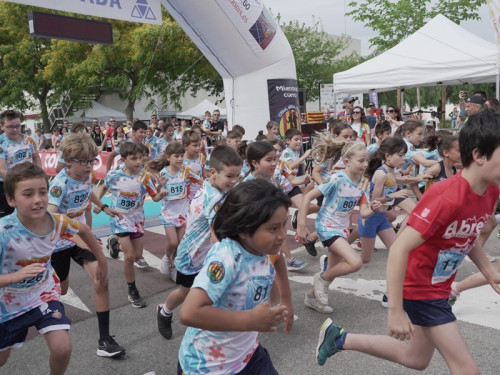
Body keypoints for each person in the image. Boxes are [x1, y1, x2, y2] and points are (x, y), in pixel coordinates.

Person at [315, 109, 500, 375]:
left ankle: (339, 338)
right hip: (420, 290)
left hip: (437, 287)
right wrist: (395, 310)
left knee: (415, 358)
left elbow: (466, 236)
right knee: (467, 370)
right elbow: (400, 247)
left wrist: (489, 272)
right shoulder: (446, 196)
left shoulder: (491, 189)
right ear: (479, 156)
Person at [177, 179, 292, 374]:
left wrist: (286, 300)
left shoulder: (265, 247)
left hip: (247, 355)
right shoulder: (226, 257)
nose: (282, 235)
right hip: (207, 366)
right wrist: (250, 320)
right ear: (244, 230)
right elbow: (189, 313)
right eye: (273, 228)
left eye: (284, 225)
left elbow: (278, 261)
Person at [0, 163, 106, 374]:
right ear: (11, 200)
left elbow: (83, 229)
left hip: (43, 293)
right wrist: (13, 277)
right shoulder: (4, 232)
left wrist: (101, 260)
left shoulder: (57, 221)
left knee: (62, 348)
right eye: (28, 194)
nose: (38, 199)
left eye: (42, 192)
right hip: (8, 304)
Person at [47, 132, 125, 357]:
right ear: (69, 160)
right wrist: (74, 236)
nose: (89, 166)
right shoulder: (59, 185)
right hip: (59, 243)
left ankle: (104, 341)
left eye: (92, 160)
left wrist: (104, 206)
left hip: (81, 238)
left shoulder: (86, 175)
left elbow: (88, 192)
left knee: (101, 280)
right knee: (61, 289)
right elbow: (51, 218)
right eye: (84, 161)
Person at [156, 145, 242, 340]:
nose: (235, 181)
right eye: (230, 176)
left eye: (237, 176)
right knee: (184, 293)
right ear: (213, 172)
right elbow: (215, 233)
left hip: (207, 255)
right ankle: (164, 311)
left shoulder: (213, 185)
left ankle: (210, 330)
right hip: (191, 256)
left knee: (212, 291)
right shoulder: (213, 198)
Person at [296, 141, 383, 313]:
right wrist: (300, 225)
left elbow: (364, 212)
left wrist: (373, 208)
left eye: (367, 160)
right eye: (361, 161)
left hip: (341, 229)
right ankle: (321, 279)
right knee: (355, 262)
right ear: (347, 161)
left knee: (333, 269)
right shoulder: (336, 179)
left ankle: (312, 298)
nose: (365, 164)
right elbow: (307, 198)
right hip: (326, 226)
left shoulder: (364, 183)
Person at [97, 142, 165, 308]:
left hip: (137, 218)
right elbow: (104, 186)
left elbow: (154, 197)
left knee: (136, 255)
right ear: (124, 160)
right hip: (119, 217)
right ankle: (132, 290)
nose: (138, 162)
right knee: (129, 257)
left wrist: (161, 190)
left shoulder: (145, 176)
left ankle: (115, 245)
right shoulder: (114, 175)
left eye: (140, 158)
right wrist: (99, 204)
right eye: (134, 158)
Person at [244, 140, 308, 271]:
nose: (274, 163)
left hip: (273, 245)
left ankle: (289, 259)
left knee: (280, 287)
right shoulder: (247, 186)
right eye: (269, 160)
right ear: (255, 163)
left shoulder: (271, 179)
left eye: (275, 158)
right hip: (257, 248)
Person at [146, 142, 202, 279]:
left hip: (183, 213)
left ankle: (174, 267)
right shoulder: (162, 174)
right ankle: (166, 257)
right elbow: (155, 197)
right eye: (176, 156)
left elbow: (201, 182)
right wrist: (161, 187)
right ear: (168, 157)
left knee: (180, 244)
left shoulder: (186, 172)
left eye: (181, 156)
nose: (180, 159)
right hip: (168, 214)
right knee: (173, 242)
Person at [358, 137, 411, 267]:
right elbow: (374, 201)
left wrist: (416, 178)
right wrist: (394, 195)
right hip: (370, 219)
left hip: (381, 219)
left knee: (397, 251)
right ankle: (329, 263)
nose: (404, 158)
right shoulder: (381, 173)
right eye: (400, 155)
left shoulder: (391, 170)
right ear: (388, 156)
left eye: (404, 154)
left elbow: (395, 181)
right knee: (364, 259)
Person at [0, 110, 41, 218]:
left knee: (30, 214)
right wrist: (16, 185)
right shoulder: (1, 143)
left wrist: (40, 176)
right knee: (8, 218)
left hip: (28, 181)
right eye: (10, 127)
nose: (15, 130)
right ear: (2, 127)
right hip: (7, 184)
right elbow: (2, 170)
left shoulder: (29, 140)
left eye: (18, 126)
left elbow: (36, 157)